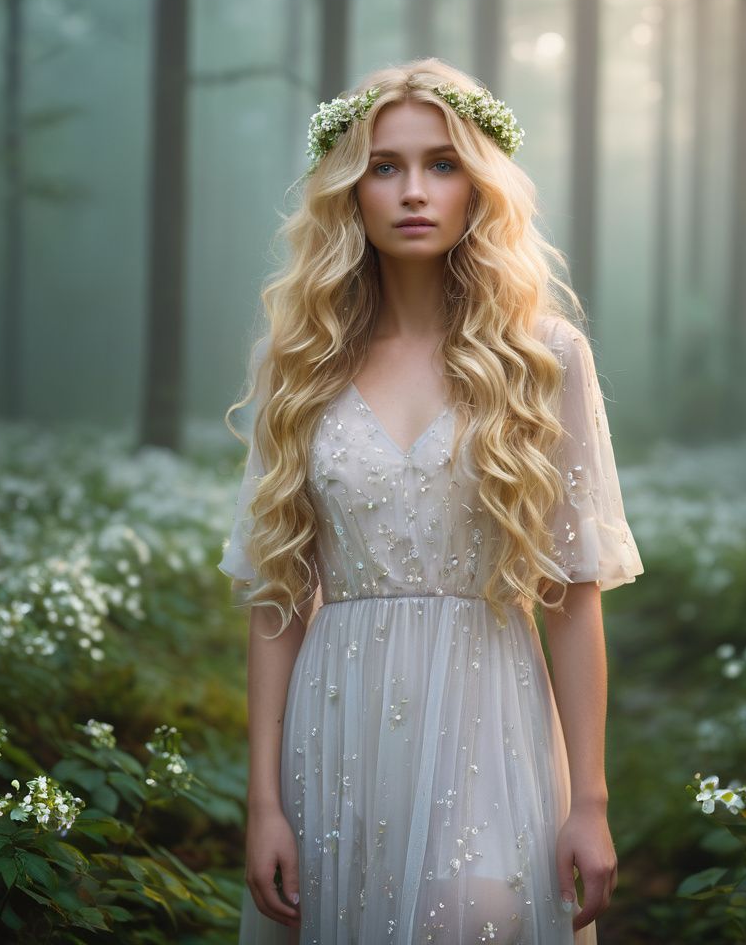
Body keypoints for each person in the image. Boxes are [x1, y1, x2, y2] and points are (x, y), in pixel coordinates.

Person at [218, 58, 644, 945]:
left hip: (491, 717)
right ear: (350, 189)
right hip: (336, 724)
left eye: (442, 164)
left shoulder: (544, 358)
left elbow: (571, 592)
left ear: (478, 185)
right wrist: (263, 805)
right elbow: (277, 597)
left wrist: (591, 800)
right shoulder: (298, 364)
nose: (414, 190)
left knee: (473, 915)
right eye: (385, 166)